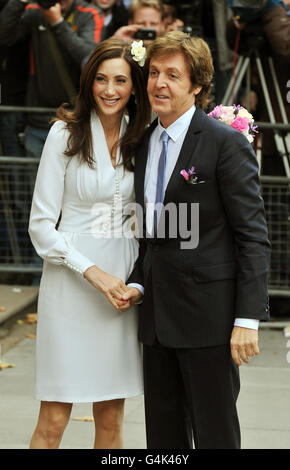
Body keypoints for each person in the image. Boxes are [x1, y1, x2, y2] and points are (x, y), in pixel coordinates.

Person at [121, 30, 271, 449]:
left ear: (198, 86)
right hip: (156, 322)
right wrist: (136, 283)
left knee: (216, 436)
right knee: (163, 442)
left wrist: (247, 318)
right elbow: (152, 235)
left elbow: (253, 237)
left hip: (210, 321)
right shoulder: (145, 144)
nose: (160, 83)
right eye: (153, 73)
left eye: (173, 74)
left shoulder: (225, 143)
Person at [28, 38, 151, 449]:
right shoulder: (64, 133)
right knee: (54, 418)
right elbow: (42, 228)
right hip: (71, 283)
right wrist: (93, 272)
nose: (110, 90)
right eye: (100, 79)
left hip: (123, 289)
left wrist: (134, 282)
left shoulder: (146, 134)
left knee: (112, 418)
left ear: (134, 84)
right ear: (88, 83)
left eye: (119, 80)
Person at [0, 0, 104, 158]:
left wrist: (58, 23)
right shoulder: (36, 11)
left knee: (70, 182)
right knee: (33, 182)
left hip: (74, 121)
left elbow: (89, 59)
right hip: (38, 121)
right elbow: (4, 35)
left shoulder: (90, 13)